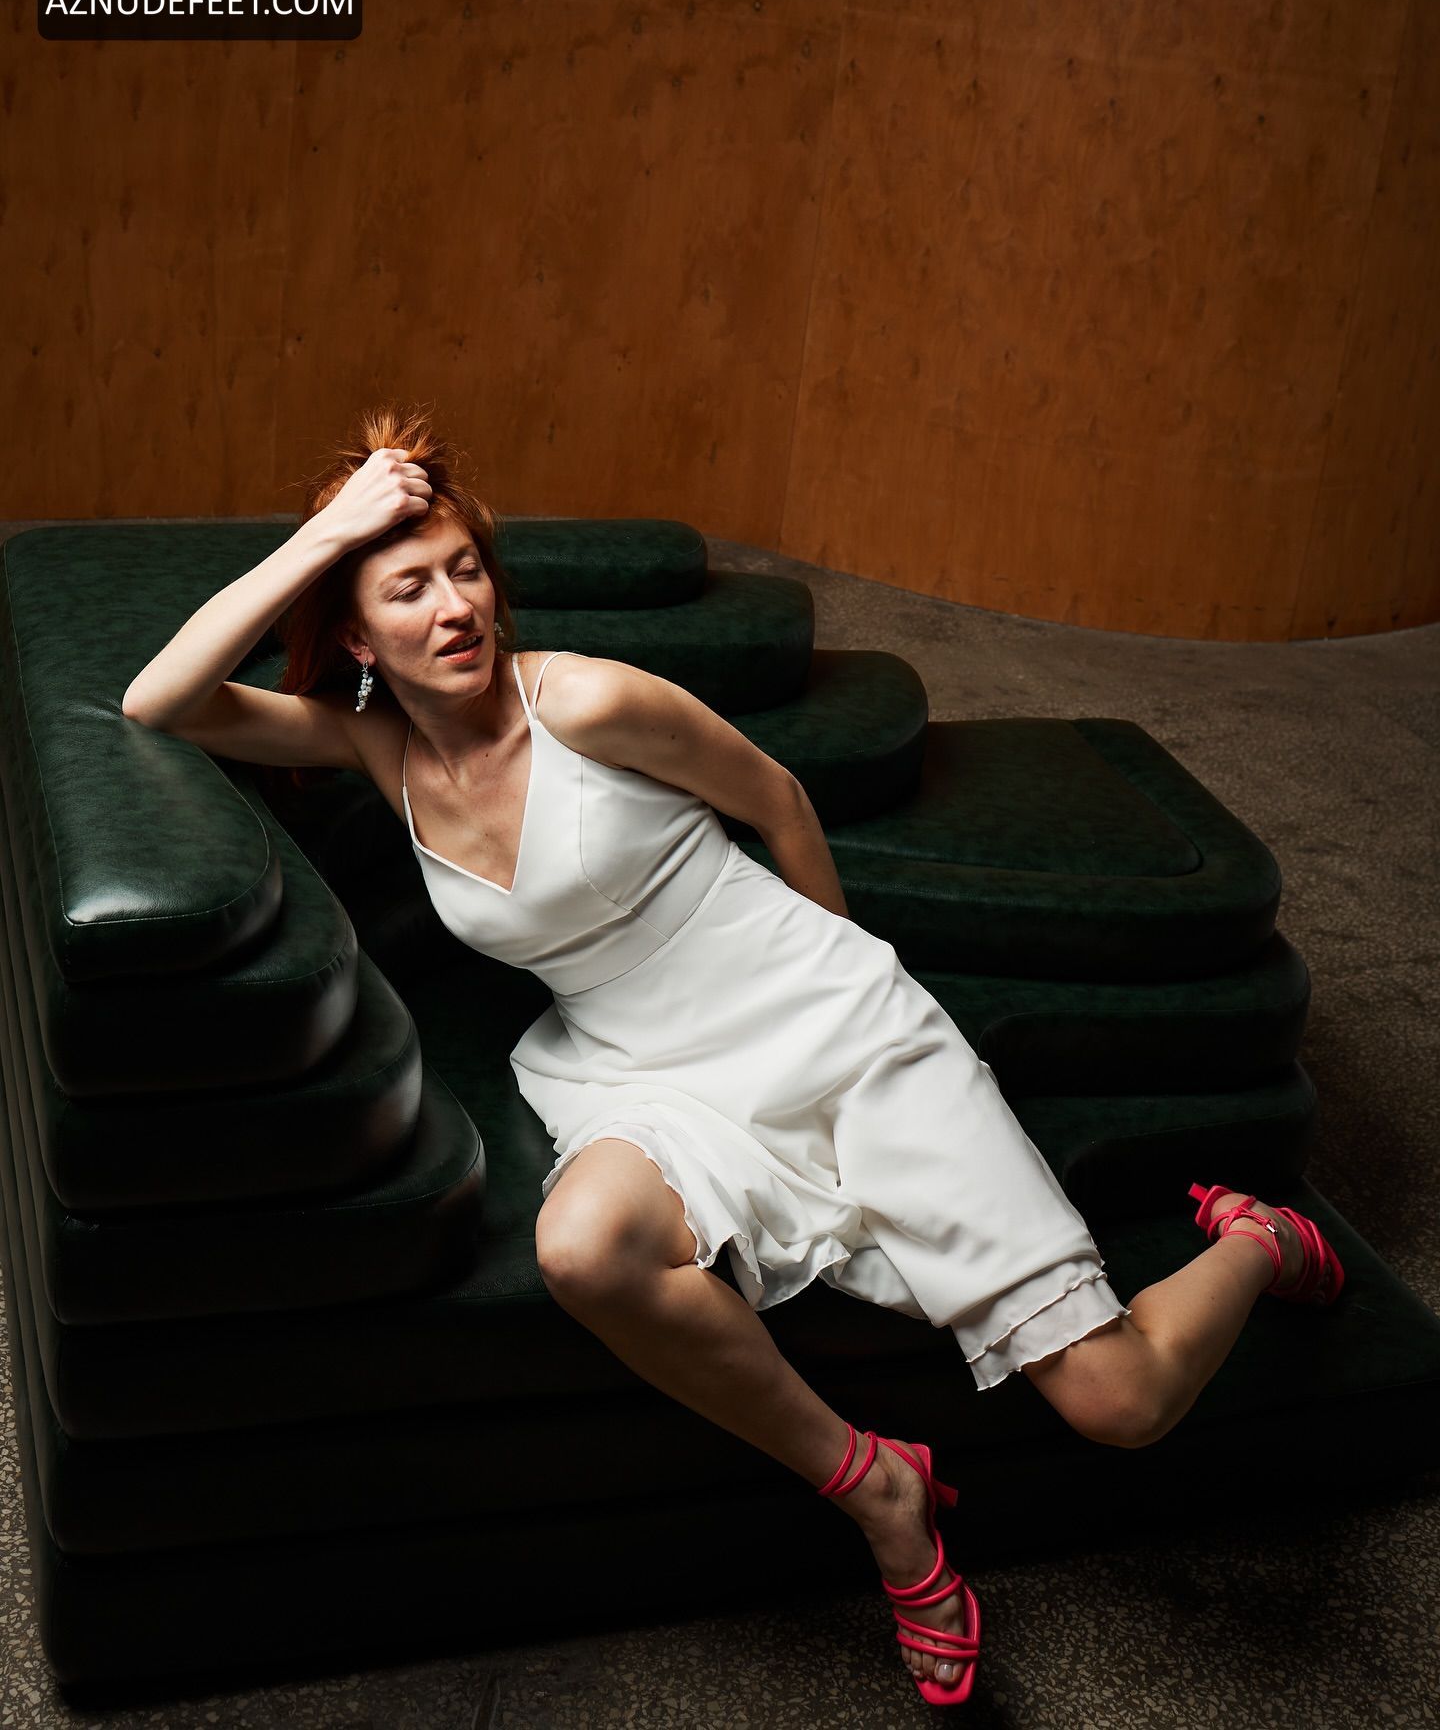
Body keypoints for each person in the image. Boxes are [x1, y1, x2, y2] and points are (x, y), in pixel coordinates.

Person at [122, 407, 1344, 1709]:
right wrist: (329, 534)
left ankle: (1256, 1240)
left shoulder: (586, 701)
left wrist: (850, 991)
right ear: (360, 638)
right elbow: (162, 701)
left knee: (1121, 1400)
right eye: (409, 588)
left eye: (466, 568)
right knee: (582, 1250)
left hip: (825, 1023)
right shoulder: (377, 744)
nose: (456, 606)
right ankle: (878, 1489)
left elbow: (777, 800)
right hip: (641, 1067)